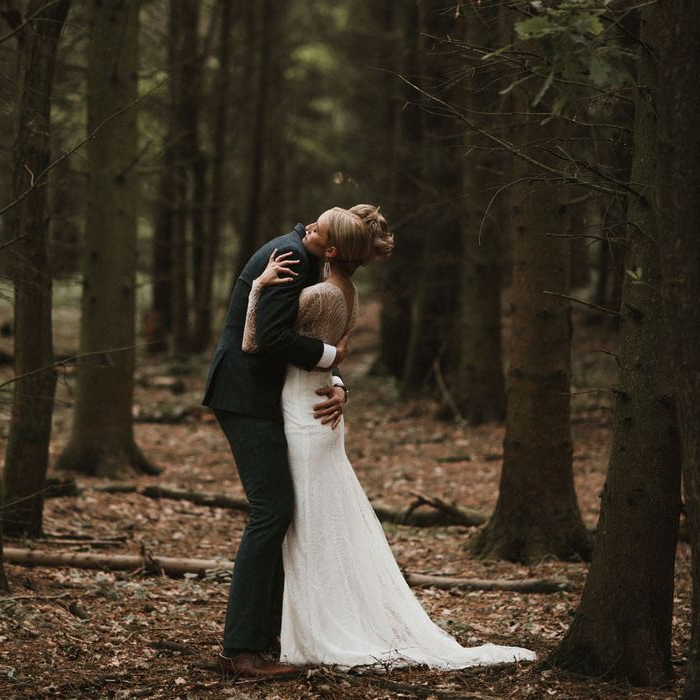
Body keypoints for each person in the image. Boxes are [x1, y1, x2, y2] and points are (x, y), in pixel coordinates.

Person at [243, 207, 537, 670]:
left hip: (304, 415)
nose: (308, 230)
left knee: (308, 526)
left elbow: (259, 338)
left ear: (335, 249)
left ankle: (316, 626)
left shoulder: (319, 294)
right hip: (315, 409)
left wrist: (258, 287)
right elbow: (327, 352)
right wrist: (337, 376)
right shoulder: (348, 292)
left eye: (318, 229)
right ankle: (296, 623)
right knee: (318, 520)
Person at [202, 207, 371, 679]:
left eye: (320, 226)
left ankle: (268, 636)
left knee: (280, 511)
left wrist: (338, 381)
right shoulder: (293, 256)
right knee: (271, 509)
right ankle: (241, 650)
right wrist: (334, 357)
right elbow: (270, 337)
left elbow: (302, 335)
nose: (309, 227)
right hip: (245, 395)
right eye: (314, 223)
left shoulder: (307, 256)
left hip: (269, 398)